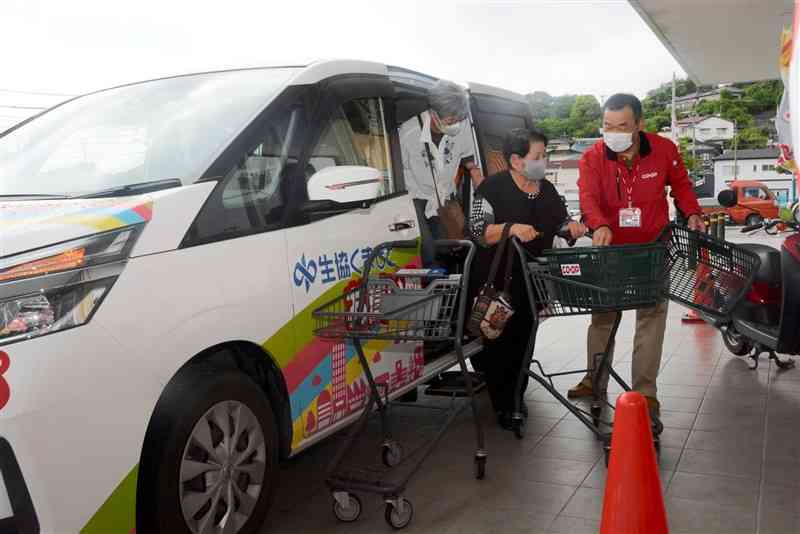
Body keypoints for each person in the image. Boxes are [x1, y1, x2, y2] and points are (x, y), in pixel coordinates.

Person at [568, 93, 705, 419]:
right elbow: (587, 198)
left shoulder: (664, 150)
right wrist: (599, 224)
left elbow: (682, 186)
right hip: (610, 249)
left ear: (639, 125)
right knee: (602, 317)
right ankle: (593, 378)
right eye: (607, 125)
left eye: (622, 126)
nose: (613, 132)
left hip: (652, 249)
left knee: (651, 318)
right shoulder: (592, 158)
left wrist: (693, 213)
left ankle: (645, 392)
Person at [472, 128, 586, 430]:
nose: (544, 161)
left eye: (545, 155)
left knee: (524, 339)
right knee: (496, 342)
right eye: (539, 156)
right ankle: (503, 405)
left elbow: (558, 221)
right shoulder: (490, 189)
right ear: (516, 160)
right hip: (497, 282)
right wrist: (511, 228)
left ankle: (515, 398)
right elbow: (477, 232)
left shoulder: (545, 189)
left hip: (532, 282)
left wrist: (571, 227)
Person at [399, 79, 483, 267]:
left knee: (456, 251)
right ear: (433, 113)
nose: (456, 124)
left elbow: (468, 160)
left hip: (444, 200)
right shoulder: (408, 134)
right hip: (416, 201)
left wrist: (481, 182)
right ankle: (437, 292)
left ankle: (451, 293)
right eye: (451, 120)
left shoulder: (461, 129)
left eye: (459, 119)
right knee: (429, 255)